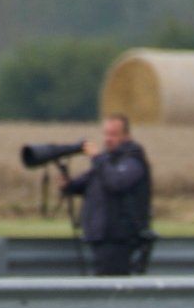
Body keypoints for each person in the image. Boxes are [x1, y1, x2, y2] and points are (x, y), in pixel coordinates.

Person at [58, 115, 152, 276]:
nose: (108, 139)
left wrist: (96, 158)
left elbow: (116, 182)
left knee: (111, 291)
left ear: (127, 136)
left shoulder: (133, 159)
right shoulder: (107, 161)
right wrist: (67, 184)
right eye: (106, 134)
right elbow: (85, 183)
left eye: (114, 134)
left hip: (119, 239)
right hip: (101, 238)